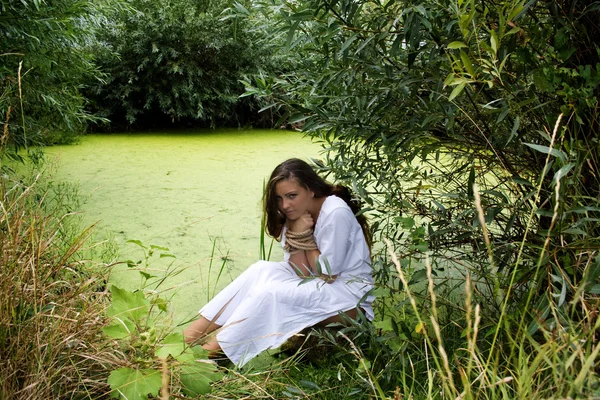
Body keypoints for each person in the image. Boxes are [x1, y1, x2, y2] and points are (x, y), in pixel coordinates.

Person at [183, 158, 374, 367]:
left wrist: (305, 238)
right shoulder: (295, 213)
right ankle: (185, 340)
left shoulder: (335, 212)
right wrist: (296, 231)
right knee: (260, 270)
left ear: (311, 189)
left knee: (270, 294)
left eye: (292, 196)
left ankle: (207, 358)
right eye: (279, 198)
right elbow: (301, 271)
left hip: (350, 299)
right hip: (321, 285)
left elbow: (328, 274)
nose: (285, 205)